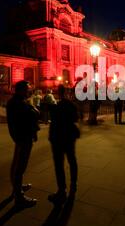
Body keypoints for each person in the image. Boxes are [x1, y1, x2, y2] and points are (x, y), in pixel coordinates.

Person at [6, 80, 40, 208]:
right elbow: (35, 115)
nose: (30, 90)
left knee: (17, 163)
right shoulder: (19, 103)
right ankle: (19, 197)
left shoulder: (16, 102)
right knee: (20, 166)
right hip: (23, 137)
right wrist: (33, 108)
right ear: (21, 90)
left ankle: (17, 186)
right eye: (28, 88)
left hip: (20, 136)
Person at [48, 85, 80, 203]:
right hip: (69, 136)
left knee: (59, 164)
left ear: (58, 93)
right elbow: (76, 119)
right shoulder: (71, 105)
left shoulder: (56, 106)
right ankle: (73, 184)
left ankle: (62, 190)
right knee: (72, 160)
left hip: (57, 137)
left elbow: (53, 120)